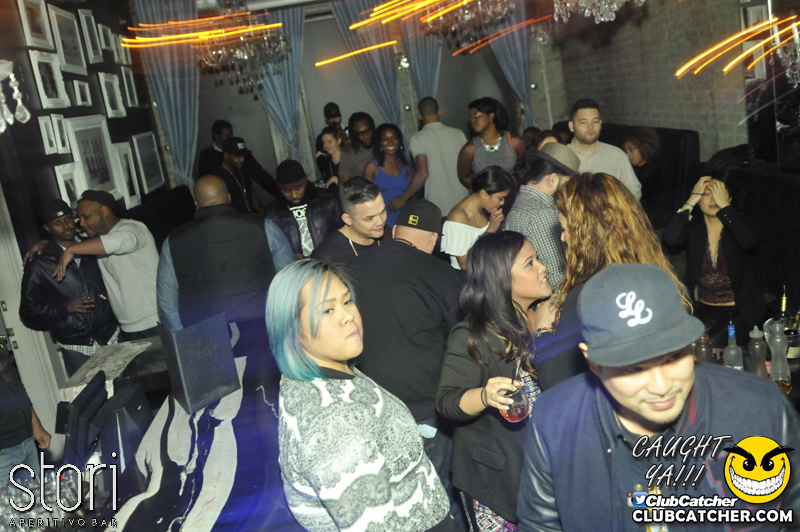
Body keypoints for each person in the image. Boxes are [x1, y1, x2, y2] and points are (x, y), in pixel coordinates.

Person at [516, 263, 800, 531]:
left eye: (673, 357)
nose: (662, 386)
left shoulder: (760, 409)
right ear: (593, 362)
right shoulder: (556, 422)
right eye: (633, 368)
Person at [266, 260, 452, 532]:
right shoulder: (336, 425)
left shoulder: (323, 370)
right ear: (292, 330)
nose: (347, 315)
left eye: (347, 301)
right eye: (327, 310)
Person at [348, 200, 463, 528]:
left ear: (395, 230)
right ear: (434, 240)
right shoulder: (443, 274)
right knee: (437, 497)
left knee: (391, 500)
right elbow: (459, 338)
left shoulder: (350, 266)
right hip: (424, 410)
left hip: (368, 408)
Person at [533, 173, 689, 392]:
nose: (563, 238)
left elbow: (556, 383)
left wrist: (543, 330)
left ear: (585, 234)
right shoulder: (656, 277)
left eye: (565, 229)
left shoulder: (587, 294)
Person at [437, 231, 551, 530]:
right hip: (499, 481)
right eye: (530, 263)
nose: (543, 267)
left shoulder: (546, 317)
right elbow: (447, 401)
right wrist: (484, 396)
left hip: (546, 468)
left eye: (538, 258)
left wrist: (544, 332)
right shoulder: (475, 334)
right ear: (502, 278)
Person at [156, 175, 293, 340]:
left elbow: (167, 305)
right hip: (263, 331)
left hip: (207, 337)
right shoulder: (264, 227)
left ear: (196, 204)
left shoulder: (172, 242)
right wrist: (284, 328)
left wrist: (185, 340)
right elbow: (289, 281)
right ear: (228, 197)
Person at [662, 173, 765, 346]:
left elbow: (748, 242)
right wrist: (690, 201)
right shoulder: (694, 227)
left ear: (729, 198)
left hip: (740, 310)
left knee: (710, 344)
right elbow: (670, 238)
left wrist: (725, 206)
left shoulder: (739, 224)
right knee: (682, 343)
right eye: (705, 193)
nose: (713, 199)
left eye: (718, 193)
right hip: (703, 309)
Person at [20, 199, 118, 376]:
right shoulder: (39, 263)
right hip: (76, 348)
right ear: (47, 228)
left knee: (127, 389)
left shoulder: (94, 244)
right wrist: (65, 308)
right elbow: (28, 312)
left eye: (68, 219)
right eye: (58, 223)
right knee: (89, 394)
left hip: (112, 336)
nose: (66, 226)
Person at [54, 190, 160, 342]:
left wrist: (71, 250)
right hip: (128, 328)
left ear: (104, 211)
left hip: (154, 322)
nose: (82, 224)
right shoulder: (98, 238)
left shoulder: (133, 228)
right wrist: (43, 245)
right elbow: (80, 240)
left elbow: (118, 242)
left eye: (86, 217)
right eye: (80, 219)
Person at [503, 142, 580, 292]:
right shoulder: (543, 213)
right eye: (568, 184)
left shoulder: (520, 202)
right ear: (553, 179)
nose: (569, 191)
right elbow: (557, 277)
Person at [264, 160, 342, 260]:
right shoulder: (271, 214)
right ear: (279, 188)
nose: (294, 195)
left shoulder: (329, 201)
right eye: (287, 191)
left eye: (298, 189)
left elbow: (343, 235)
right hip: (295, 267)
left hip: (329, 262)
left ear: (305, 182)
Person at [402, 97, 469, 215]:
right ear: (439, 111)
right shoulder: (458, 134)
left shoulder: (418, 139)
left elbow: (422, 173)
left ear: (419, 116)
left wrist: (402, 198)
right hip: (463, 201)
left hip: (438, 204)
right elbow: (468, 166)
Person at [566, 99, 642, 199]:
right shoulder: (562, 156)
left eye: (595, 121)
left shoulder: (616, 155)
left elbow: (634, 191)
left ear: (600, 124)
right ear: (571, 126)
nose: (591, 127)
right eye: (584, 122)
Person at [441, 166, 513, 270]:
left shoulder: (484, 210)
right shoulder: (458, 217)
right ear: (484, 194)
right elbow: (465, 264)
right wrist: (490, 230)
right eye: (500, 198)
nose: (502, 203)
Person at [0, 342, 50, 482]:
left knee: (35, 494)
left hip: (26, 442)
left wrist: (36, 426)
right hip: (3, 454)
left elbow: (17, 388)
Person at [310, 177, 386, 264]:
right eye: (370, 218)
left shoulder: (387, 234)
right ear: (348, 219)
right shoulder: (326, 257)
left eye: (382, 211)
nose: (380, 222)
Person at [198, 120, 280, 197]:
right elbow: (205, 181)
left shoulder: (239, 150)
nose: (230, 138)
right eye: (227, 136)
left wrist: (279, 192)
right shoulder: (207, 155)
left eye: (231, 135)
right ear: (216, 136)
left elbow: (259, 172)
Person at [456, 97, 524, 190]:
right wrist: (483, 191)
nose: (473, 121)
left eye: (476, 115)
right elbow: (464, 177)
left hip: (513, 195)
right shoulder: (470, 149)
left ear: (491, 116)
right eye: (471, 117)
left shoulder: (514, 142)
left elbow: (525, 168)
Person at [363, 123, 412, 227]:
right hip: (382, 223)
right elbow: (364, 198)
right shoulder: (371, 167)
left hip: (405, 221)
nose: (390, 142)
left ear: (399, 141)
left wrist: (403, 200)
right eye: (385, 139)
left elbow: (414, 195)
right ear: (380, 142)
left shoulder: (406, 166)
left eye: (394, 138)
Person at [623, 127, 666, 228]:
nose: (628, 155)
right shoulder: (629, 169)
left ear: (644, 147)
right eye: (626, 151)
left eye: (632, 150)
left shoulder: (656, 173)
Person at [212, 137, 263, 213]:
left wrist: (263, 215)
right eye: (237, 156)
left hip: (251, 216)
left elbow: (252, 193)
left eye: (243, 155)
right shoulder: (218, 179)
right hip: (235, 219)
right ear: (226, 155)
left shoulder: (243, 170)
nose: (242, 159)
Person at [337, 111, 376, 184]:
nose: (366, 136)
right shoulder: (347, 154)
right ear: (354, 135)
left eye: (368, 130)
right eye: (361, 133)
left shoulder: (381, 145)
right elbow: (343, 186)